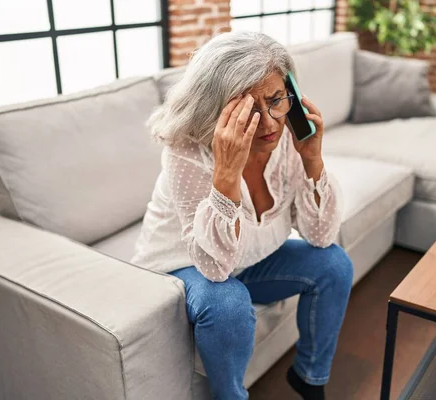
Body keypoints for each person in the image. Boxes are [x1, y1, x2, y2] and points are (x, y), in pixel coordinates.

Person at [131, 31, 353, 400]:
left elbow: (320, 236)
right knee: (228, 302)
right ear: (217, 108)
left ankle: (311, 377)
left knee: (334, 264)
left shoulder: (287, 137)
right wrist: (226, 175)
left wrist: (312, 158)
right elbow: (215, 268)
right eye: (249, 110)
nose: (268, 124)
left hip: (246, 260)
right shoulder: (186, 151)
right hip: (186, 265)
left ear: (291, 93)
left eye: (276, 100)